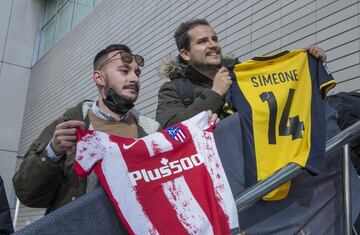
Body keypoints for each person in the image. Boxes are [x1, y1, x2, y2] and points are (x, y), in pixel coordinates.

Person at [13, 44, 161, 214]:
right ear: (99, 77)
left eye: (137, 72)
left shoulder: (152, 133)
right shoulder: (68, 126)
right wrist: (52, 153)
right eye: (124, 71)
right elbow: (28, 195)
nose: (135, 79)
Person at [156, 18, 328, 128]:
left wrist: (305, 63)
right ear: (185, 54)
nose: (213, 45)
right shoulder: (173, 89)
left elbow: (281, 90)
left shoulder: (241, 74)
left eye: (214, 39)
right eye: (203, 41)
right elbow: (169, 130)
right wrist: (215, 93)